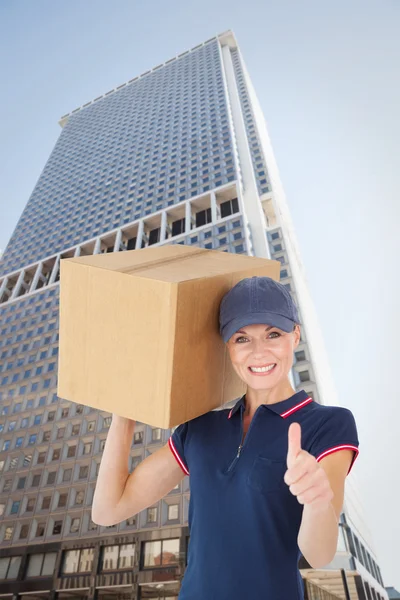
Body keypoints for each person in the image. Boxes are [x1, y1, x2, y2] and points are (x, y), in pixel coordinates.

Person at [92, 276, 359, 600]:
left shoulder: (327, 423)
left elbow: (319, 554)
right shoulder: (201, 428)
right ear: (227, 346)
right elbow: (108, 511)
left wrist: (317, 502)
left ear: (295, 336)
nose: (258, 352)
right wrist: (124, 413)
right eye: (242, 338)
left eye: (273, 334)